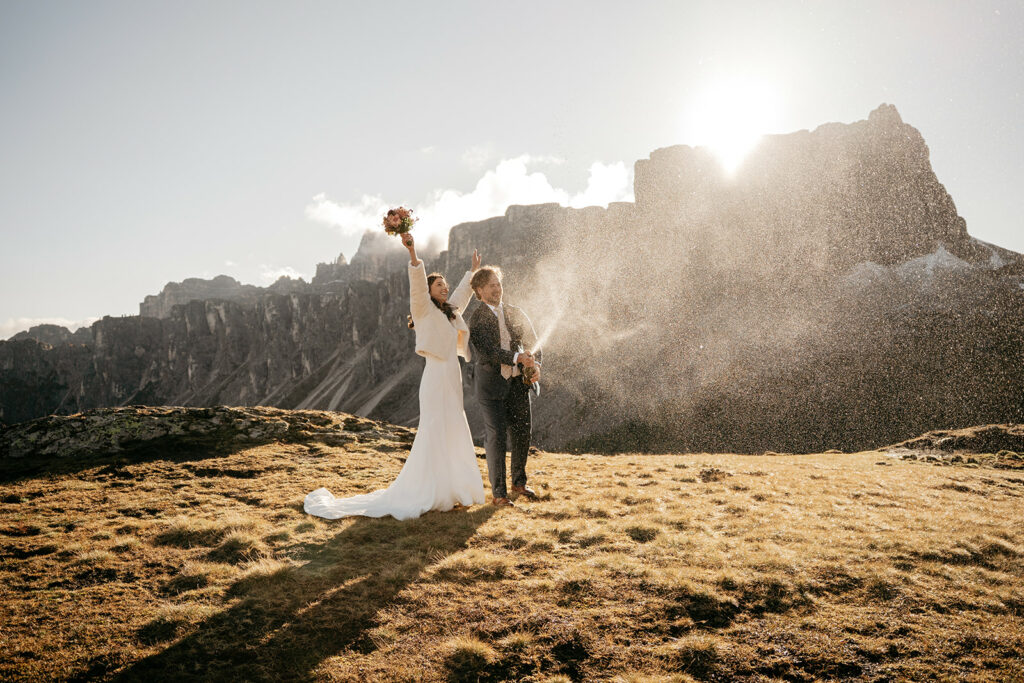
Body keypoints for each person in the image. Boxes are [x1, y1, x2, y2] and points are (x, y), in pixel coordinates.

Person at [303, 233, 485, 520]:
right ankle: (432, 490)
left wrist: (472, 272)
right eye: (439, 284)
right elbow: (416, 286)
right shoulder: (423, 310)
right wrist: (413, 254)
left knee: (453, 429)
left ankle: (453, 490)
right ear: (429, 290)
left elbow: (462, 294)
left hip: (452, 378)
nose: (445, 288)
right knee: (436, 430)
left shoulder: (450, 313)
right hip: (436, 378)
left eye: (444, 284)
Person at [467, 266, 541, 507]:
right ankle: (499, 494)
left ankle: (519, 482)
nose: (497, 289)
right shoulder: (477, 318)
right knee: (497, 437)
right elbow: (487, 352)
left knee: (522, 433)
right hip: (491, 386)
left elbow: (533, 342)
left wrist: (535, 364)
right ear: (479, 290)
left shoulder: (514, 312)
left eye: (498, 284)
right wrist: (517, 358)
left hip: (519, 384)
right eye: (491, 285)